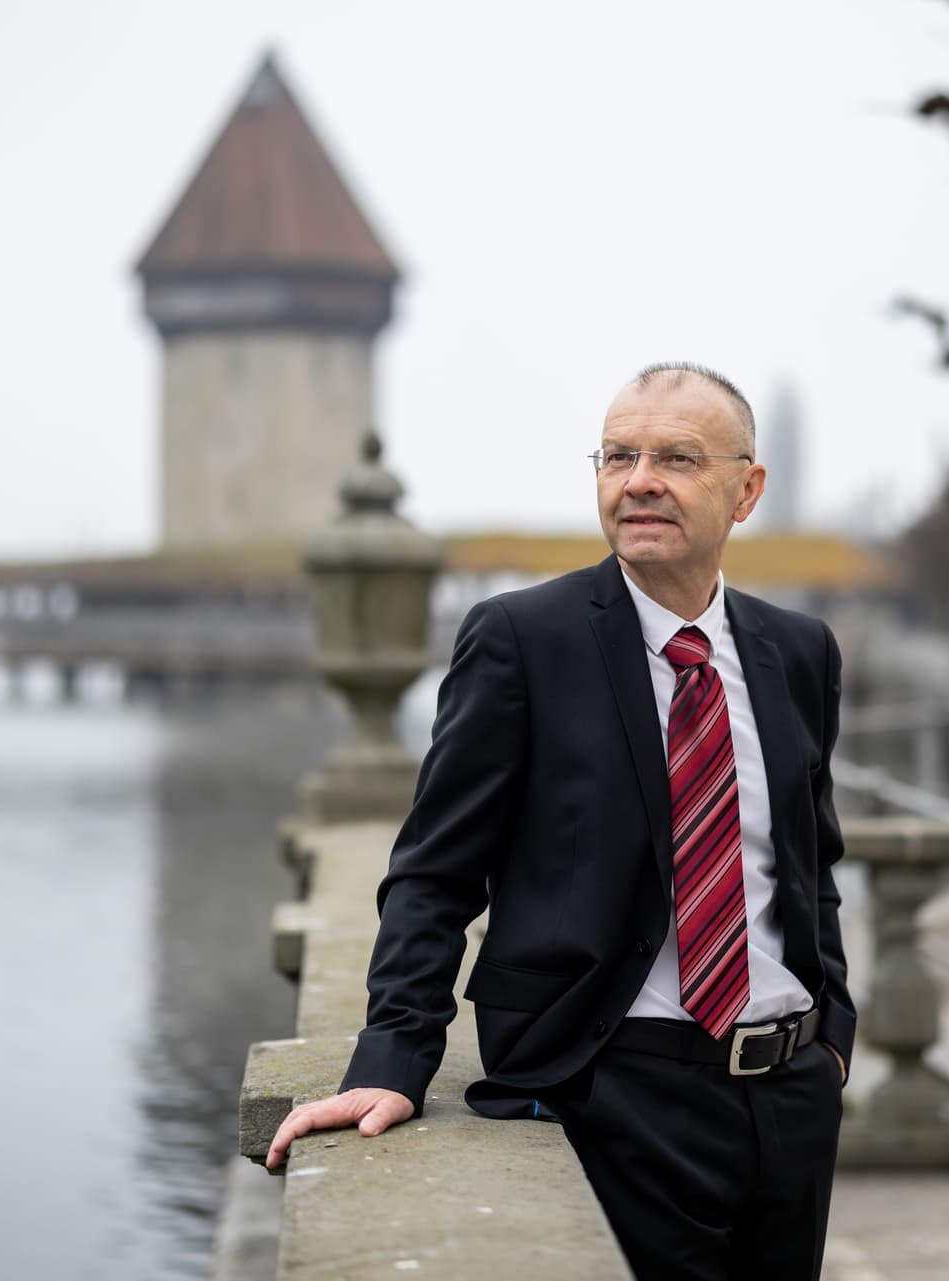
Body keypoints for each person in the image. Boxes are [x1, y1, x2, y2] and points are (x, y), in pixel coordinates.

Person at [266, 362, 854, 1281]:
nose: (640, 479)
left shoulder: (799, 652)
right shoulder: (521, 639)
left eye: (678, 457)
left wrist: (835, 1040)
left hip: (790, 1098)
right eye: (618, 455)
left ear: (748, 489)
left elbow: (808, 865)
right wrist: (392, 1056)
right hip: (614, 1086)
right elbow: (435, 869)